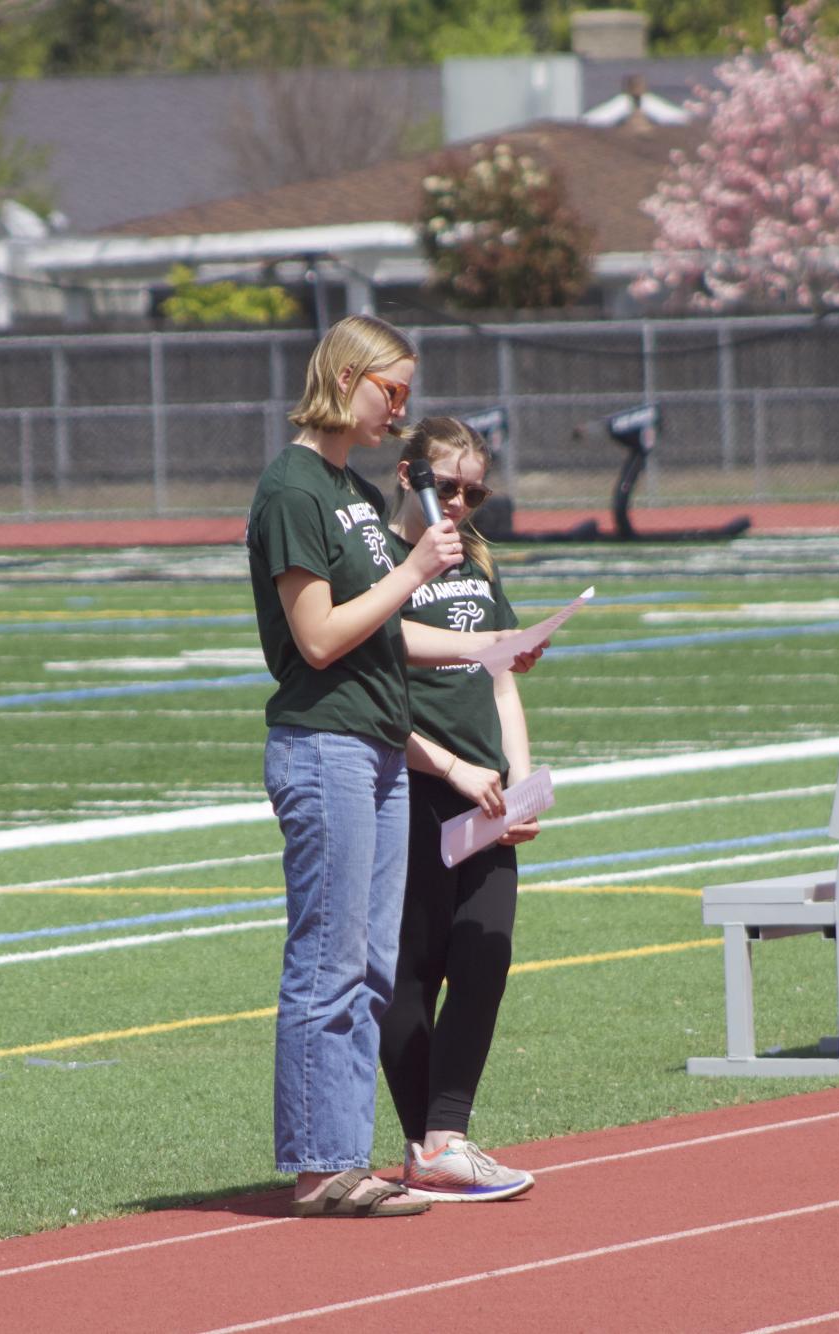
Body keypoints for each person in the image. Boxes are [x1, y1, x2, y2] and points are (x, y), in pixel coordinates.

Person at [246, 316, 539, 1219]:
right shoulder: (295, 486)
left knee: (369, 967)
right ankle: (317, 1166)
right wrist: (414, 566)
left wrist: (488, 644)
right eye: (390, 391)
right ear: (344, 376)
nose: (399, 410)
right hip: (326, 740)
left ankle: (345, 1157)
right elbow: (323, 635)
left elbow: (383, 627)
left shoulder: (347, 489)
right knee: (328, 961)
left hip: (372, 742)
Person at [377, 418, 539, 1204]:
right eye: (449, 487)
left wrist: (521, 780)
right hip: (412, 786)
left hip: (487, 792)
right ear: (409, 476)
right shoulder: (381, 556)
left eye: (476, 490)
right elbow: (368, 690)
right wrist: (446, 765)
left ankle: (446, 1136)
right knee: (413, 968)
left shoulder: (473, 553)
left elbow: (502, 675)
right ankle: (428, 1142)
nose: (463, 503)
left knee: (486, 952)